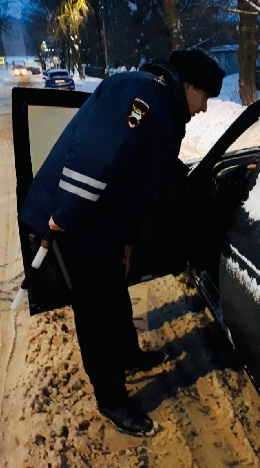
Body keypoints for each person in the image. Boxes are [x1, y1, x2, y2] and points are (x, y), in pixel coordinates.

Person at [18, 48, 225, 436]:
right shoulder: (141, 97)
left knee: (114, 291)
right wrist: (64, 215)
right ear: (189, 86)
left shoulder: (163, 103)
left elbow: (138, 184)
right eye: (205, 97)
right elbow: (96, 157)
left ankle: (127, 355)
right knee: (95, 309)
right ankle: (111, 397)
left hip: (103, 219)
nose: (204, 109)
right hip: (76, 218)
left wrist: (127, 242)